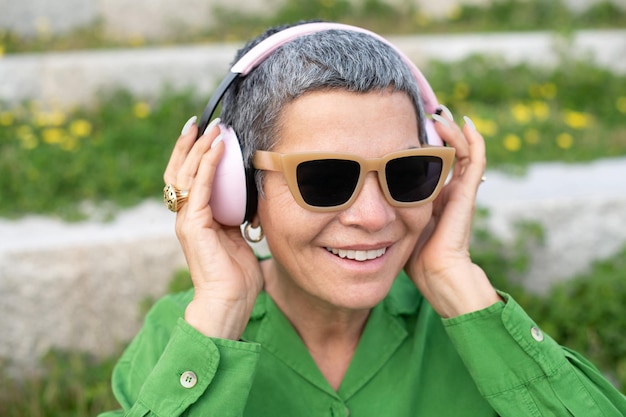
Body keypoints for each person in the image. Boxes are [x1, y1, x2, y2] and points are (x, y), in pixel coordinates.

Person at [100, 21, 626, 416]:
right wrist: (220, 312)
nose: (374, 217)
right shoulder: (180, 337)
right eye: (325, 179)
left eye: (408, 173)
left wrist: (455, 280)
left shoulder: (475, 329)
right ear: (237, 190)